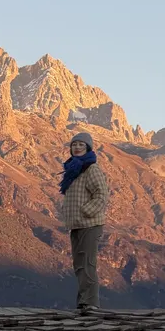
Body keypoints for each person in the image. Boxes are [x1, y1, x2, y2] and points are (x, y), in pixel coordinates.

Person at [60, 131, 109, 312]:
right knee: (79, 264)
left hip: (90, 223)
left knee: (88, 263)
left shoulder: (91, 169)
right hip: (76, 224)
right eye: (74, 144)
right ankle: (83, 302)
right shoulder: (74, 170)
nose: (77, 147)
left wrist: (86, 211)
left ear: (88, 147)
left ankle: (91, 303)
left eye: (81, 144)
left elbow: (102, 194)